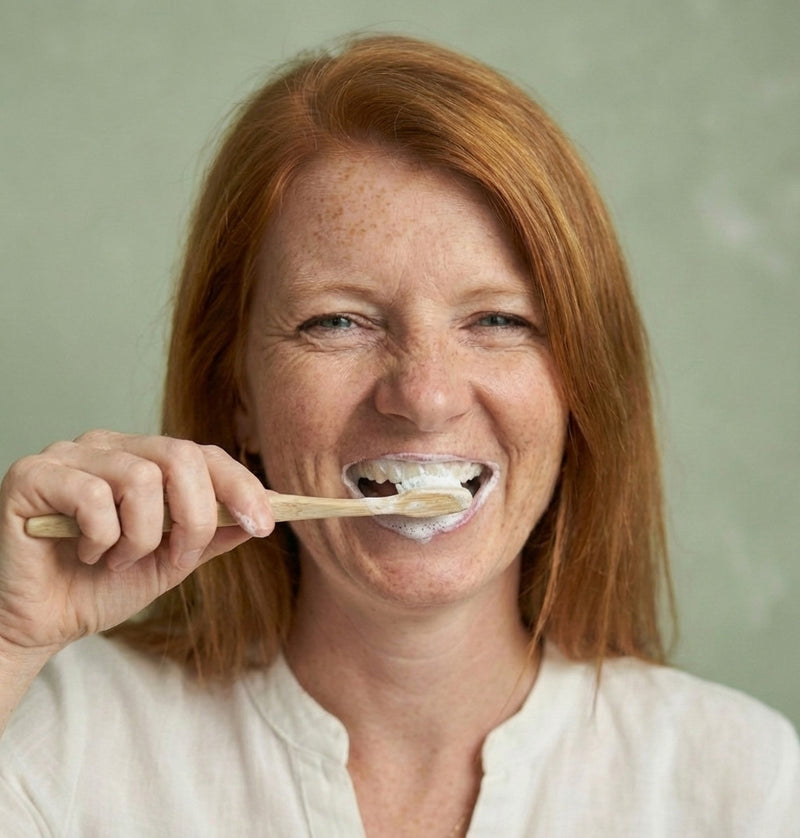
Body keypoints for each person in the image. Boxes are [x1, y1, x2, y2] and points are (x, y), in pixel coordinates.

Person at [0, 34, 797, 838]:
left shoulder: (741, 785)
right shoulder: (52, 748)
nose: (424, 395)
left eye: (498, 320)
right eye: (338, 321)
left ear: (581, 385)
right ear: (236, 387)